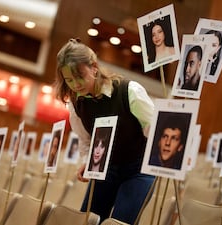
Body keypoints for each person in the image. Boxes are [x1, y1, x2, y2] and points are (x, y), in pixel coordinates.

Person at [54, 38, 155, 224]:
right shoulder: (76, 104)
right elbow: (85, 140)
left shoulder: (130, 91)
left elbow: (154, 130)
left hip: (139, 170)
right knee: (90, 219)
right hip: (104, 168)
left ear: (94, 67)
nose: (75, 85)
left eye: (79, 76)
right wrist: (88, 161)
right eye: (69, 80)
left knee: (119, 222)